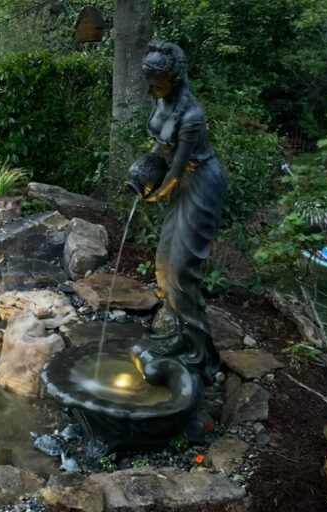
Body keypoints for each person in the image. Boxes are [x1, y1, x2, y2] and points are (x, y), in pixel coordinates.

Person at [136, 41, 229, 384]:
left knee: (182, 269)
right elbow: (160, 147)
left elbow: (174, 171)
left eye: (158, 81)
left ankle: (201, 355)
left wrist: (154, 195)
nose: (153, 87)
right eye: (150, 80)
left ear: (175, 77)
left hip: (201, 184)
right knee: (163, 263)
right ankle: (180, 336)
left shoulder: (192, 115)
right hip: (182, 182)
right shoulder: (161, 99)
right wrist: (140, 174)